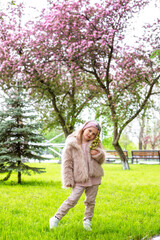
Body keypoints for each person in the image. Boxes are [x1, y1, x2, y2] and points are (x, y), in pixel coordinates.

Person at [49, 120, 106, 231]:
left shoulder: (96, 143)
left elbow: (102, 159)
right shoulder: (72, 143)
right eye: (90, 131)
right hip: (80, 178)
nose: (91, 135)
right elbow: (67, 163)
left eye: (94, 134)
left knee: (90, 201)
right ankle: (56, 218)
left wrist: (98, 154)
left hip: (94, 177)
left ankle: (87, 221)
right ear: (84, 128)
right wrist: (68, 179)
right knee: (72, 200)